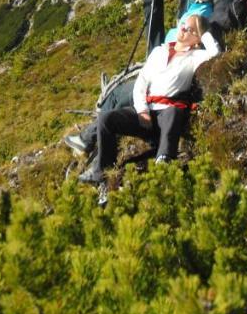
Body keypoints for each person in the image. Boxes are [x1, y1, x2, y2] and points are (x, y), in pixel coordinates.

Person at [78, 14, 220, 186]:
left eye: (189, 29)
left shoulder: (195, 56)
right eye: (183, 24)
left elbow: (216, 53)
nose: (182, 29)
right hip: (147, 109)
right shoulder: (159, 51)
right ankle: (102, 171)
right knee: (106, 118)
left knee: (174, 111)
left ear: (197, 39)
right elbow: (141, 82)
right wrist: (142, 110)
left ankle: (164, 160)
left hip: (168, 110)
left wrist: (204, 32)